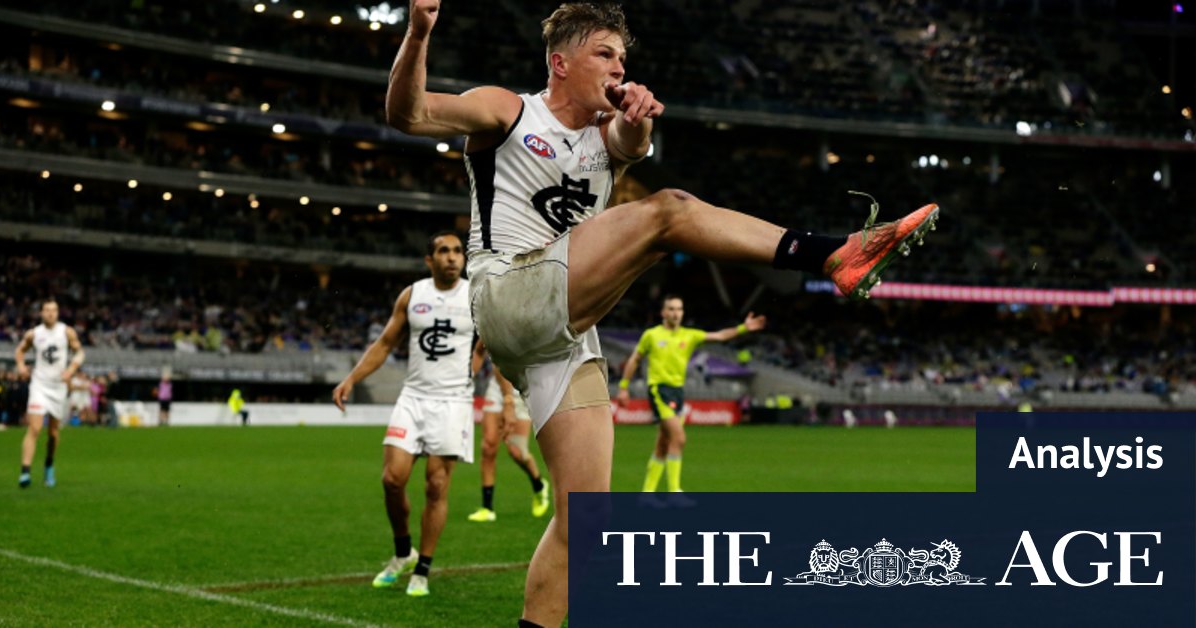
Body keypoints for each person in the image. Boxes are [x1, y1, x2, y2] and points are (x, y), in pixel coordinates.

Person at [386, 3, 938, 623]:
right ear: (559, 62)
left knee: (586, 522)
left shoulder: (606, 135)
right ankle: (834, 253)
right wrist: (419, 33)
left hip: (564, 336)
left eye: (624, 57)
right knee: (670, 210)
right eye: (606, 54)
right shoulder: (510, 110)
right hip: (509, 290)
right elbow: (408, 113)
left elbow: (627, 143)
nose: (620, 66)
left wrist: (637, 122)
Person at [333, 231, 483, 597]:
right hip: (413, 397)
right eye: (443, 252)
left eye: (457, 251)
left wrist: (472, 371)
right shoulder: (412, 295)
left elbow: (489, 344)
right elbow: (385, 343)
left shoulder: (476, 297)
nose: (452, 257)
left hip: (452, 402)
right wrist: (352, 378)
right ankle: (403, 552)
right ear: (429, 260)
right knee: (392, 479)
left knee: (436, 485)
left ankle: (423, 570)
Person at [617, 295, 765, 494]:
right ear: (663, 312)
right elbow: (635, 359)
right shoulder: (651, 335)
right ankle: (674, 490)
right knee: (679, 438)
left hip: (678, 391)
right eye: (671, 309)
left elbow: (719, 336)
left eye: (679, 309)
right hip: (659, 390)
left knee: (664, 443)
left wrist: (743, 328)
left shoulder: (690, 335)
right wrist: (624, 386)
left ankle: (647, 493)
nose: (675, 313)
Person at [14, 298, 85, 488]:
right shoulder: (34, 334)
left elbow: (80, 353)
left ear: (58, 312)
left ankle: (49, 464)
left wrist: (71, 369)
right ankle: (25, 471)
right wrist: (21, 366)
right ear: (41, 313)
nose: (50, 313)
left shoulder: (66, 331)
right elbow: (19, 351)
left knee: (53, 433)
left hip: (58, 387)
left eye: (54, 310)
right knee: (35, 428)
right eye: (47, 310)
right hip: (39, 384)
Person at [467, 365, 551, 523]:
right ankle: (487, 508)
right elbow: (480, 350)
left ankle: (539, 485)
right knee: (488, 446)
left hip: (524, 390)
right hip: (497, 387)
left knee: (517, 451)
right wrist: (467, 376)